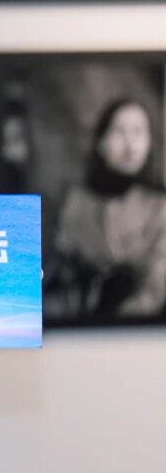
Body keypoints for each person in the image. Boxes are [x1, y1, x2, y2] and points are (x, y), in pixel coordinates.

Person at [50, 98, 166, 321]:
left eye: (138, 132)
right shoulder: (76, 204)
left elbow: (155, 289)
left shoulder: (160, 207)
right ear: (101, 143)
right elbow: (61, 276)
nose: (130, 145)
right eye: (120, 132)